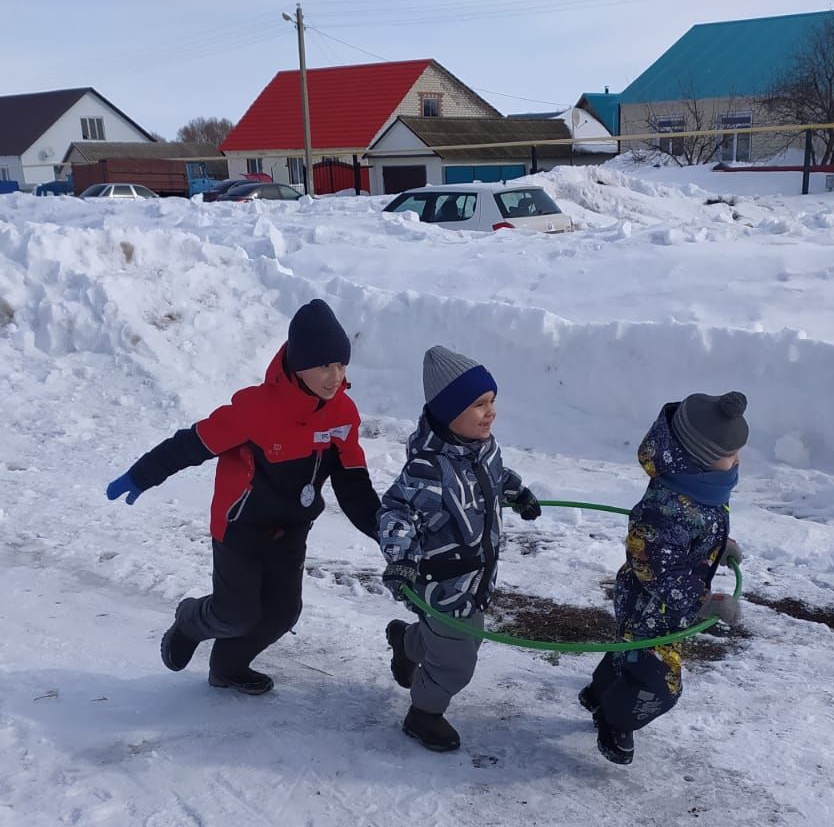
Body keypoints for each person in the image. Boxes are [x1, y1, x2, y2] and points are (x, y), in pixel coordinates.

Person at [105, 299, 380, 693]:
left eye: (341, 364)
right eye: (324, 365)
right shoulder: (255, 410)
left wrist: (383, 529)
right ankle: (189, 620)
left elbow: (353, 481)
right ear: (298, 362)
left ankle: (228, 668)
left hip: (292, 528)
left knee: (283, 614)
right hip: (241, 528)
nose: (335, 376)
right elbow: (192, 444)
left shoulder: (343, 414)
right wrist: (141, 475)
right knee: (235, 614)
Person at [378, 346, 542, 753]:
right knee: (457, 664)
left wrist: (517, 492)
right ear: (449, 413)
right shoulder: (428, 468)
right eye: (479, 405)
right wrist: (400, 561)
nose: (491, 412)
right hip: (442, 581)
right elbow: (397, 513)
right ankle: (423, 713)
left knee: (467, 639)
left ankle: (407, 643)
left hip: (476, 576)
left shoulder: (484, 449)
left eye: (492, 402)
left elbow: (495, 476)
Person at [581, 392, 746, 765]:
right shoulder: (662, 511)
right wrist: (705, 602)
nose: (737, 461)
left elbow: (696, 532)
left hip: (666, 606)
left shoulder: (701, 487)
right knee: (660, 685)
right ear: (699, 457)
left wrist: (721, 547)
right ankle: (614, 717)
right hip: (650, 607)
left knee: (631, 654)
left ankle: (599, 692)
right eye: (731, 454)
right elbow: (658, 568)